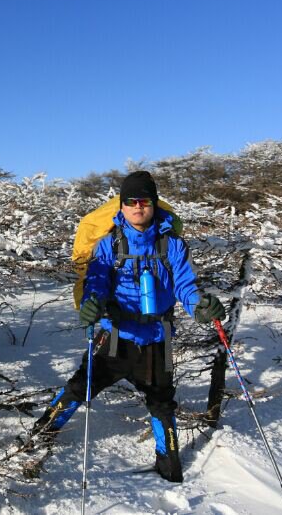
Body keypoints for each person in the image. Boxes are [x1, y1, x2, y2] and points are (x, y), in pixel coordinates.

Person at [27, 171, 226, 483]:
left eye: (144, 200)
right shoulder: (108, 245)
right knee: (81, 386)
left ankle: (168, 463)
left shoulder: (172, 245)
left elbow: (185, 286)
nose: (137, 207)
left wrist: (199, 306)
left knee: (162, 403)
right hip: (115, 335)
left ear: (153, 203)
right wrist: (92, 303)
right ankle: (41, 432)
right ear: (121, 206)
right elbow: (96, 282)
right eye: (130, 201)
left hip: (158, 339)